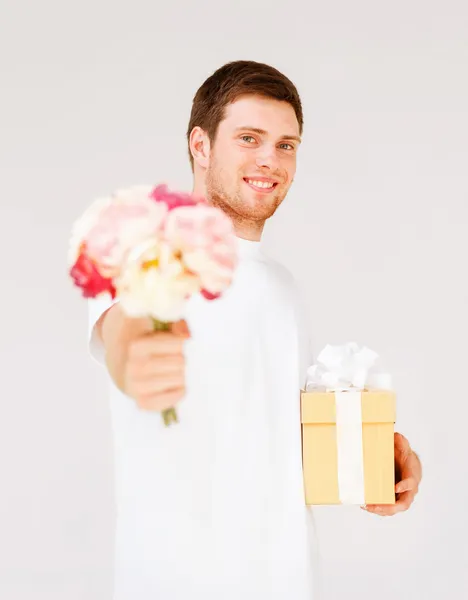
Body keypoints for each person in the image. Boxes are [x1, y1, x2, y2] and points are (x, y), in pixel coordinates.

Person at [88, 60, 422, 600]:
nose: (271, 159)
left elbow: (272, 435)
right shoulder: (143, 254)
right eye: (250, 138)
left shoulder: (281, 286)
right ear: (200, 144)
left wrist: (375, 457)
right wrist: (133, 348)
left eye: (286, 145)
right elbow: (119, 338)